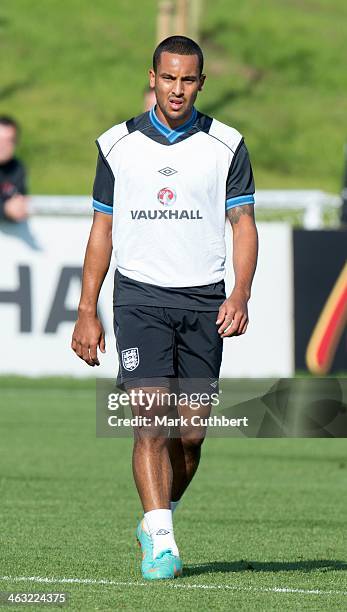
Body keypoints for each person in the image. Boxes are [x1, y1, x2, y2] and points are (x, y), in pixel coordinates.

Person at [71, 35, 258, 580]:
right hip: (140, 297)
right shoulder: (116, 145)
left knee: (192, 434)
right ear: (152, 77)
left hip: (204, 301)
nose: (177, 89)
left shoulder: (227, 145)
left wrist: (240, 292)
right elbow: (101, 229)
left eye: (188, 79)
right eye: (168, 77)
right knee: (150, 418)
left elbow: (242, 225)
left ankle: (159, 515)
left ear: (201, 83)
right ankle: (161, 539)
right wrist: (87, 307)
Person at [0, 116, 29, 222]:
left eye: (8, 141)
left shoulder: (17, 168)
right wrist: (5, 209)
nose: (2, 146)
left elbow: (19, 198)